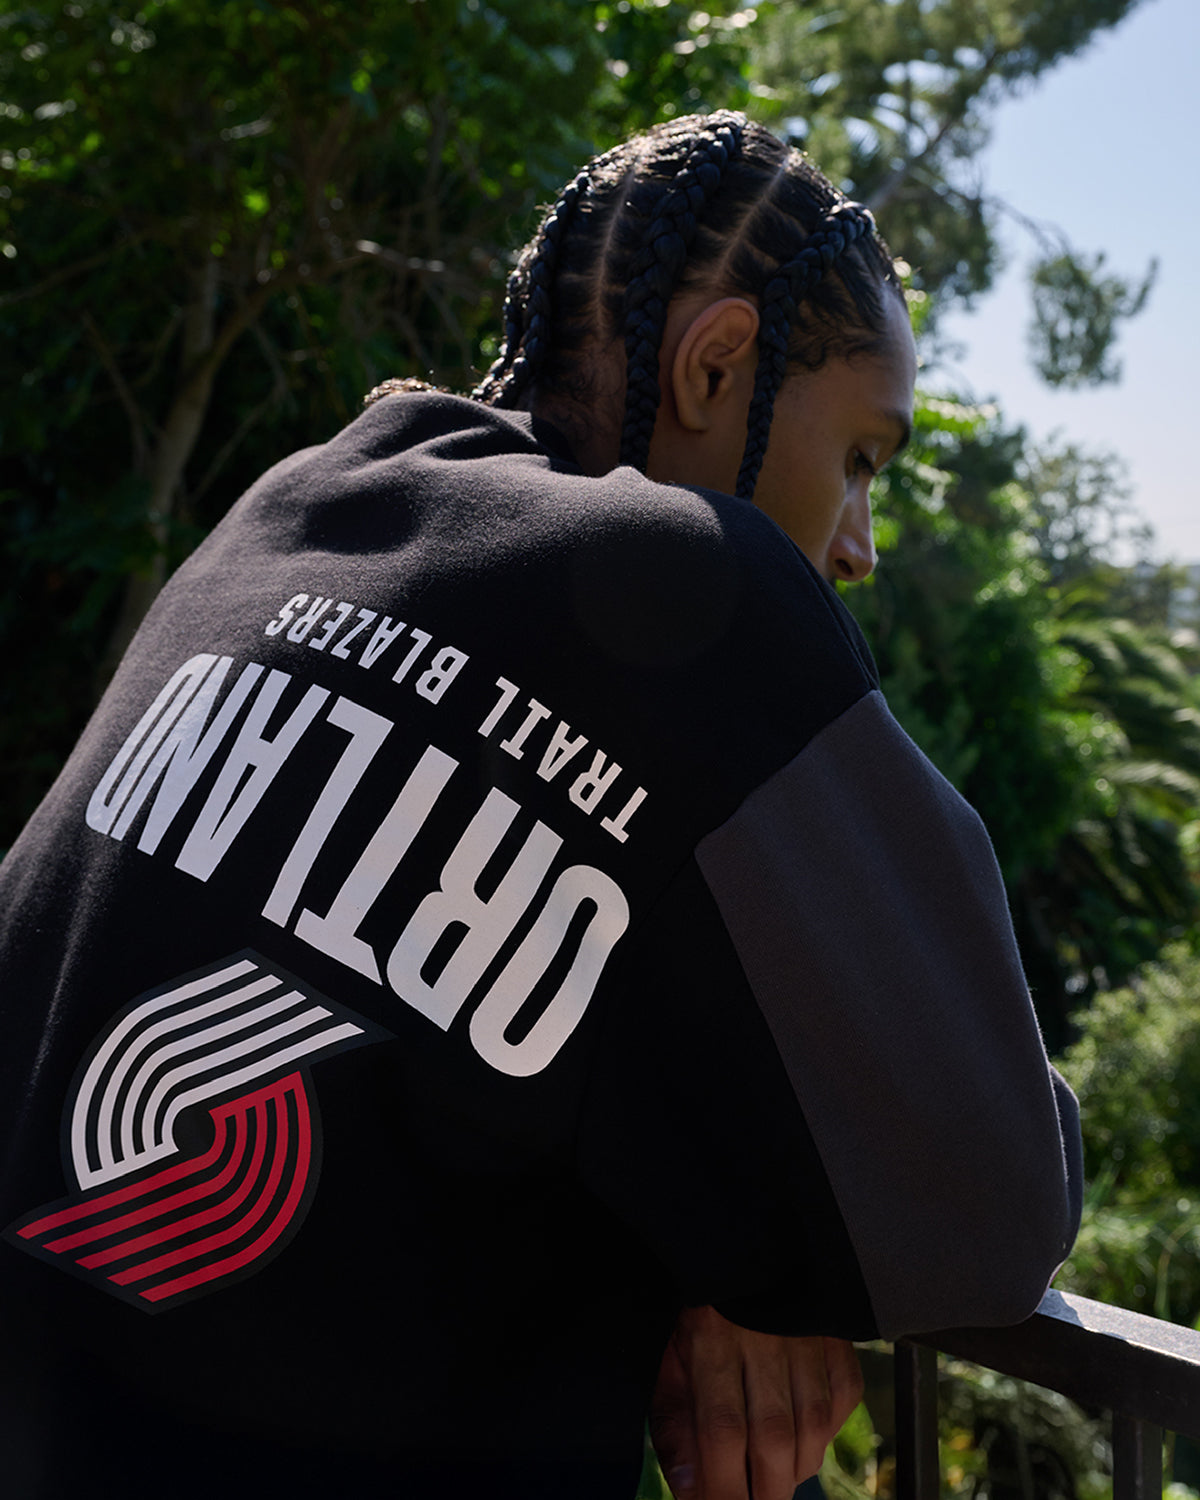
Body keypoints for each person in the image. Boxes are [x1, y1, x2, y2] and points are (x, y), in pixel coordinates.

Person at [0, 111, 1081, 1499]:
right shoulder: (699, 590)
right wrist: (761, 1241)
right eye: (863, 457)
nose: (861, 544)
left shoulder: (303, 504)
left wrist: (706, 1225)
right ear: (716, 365)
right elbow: (990, 1197)